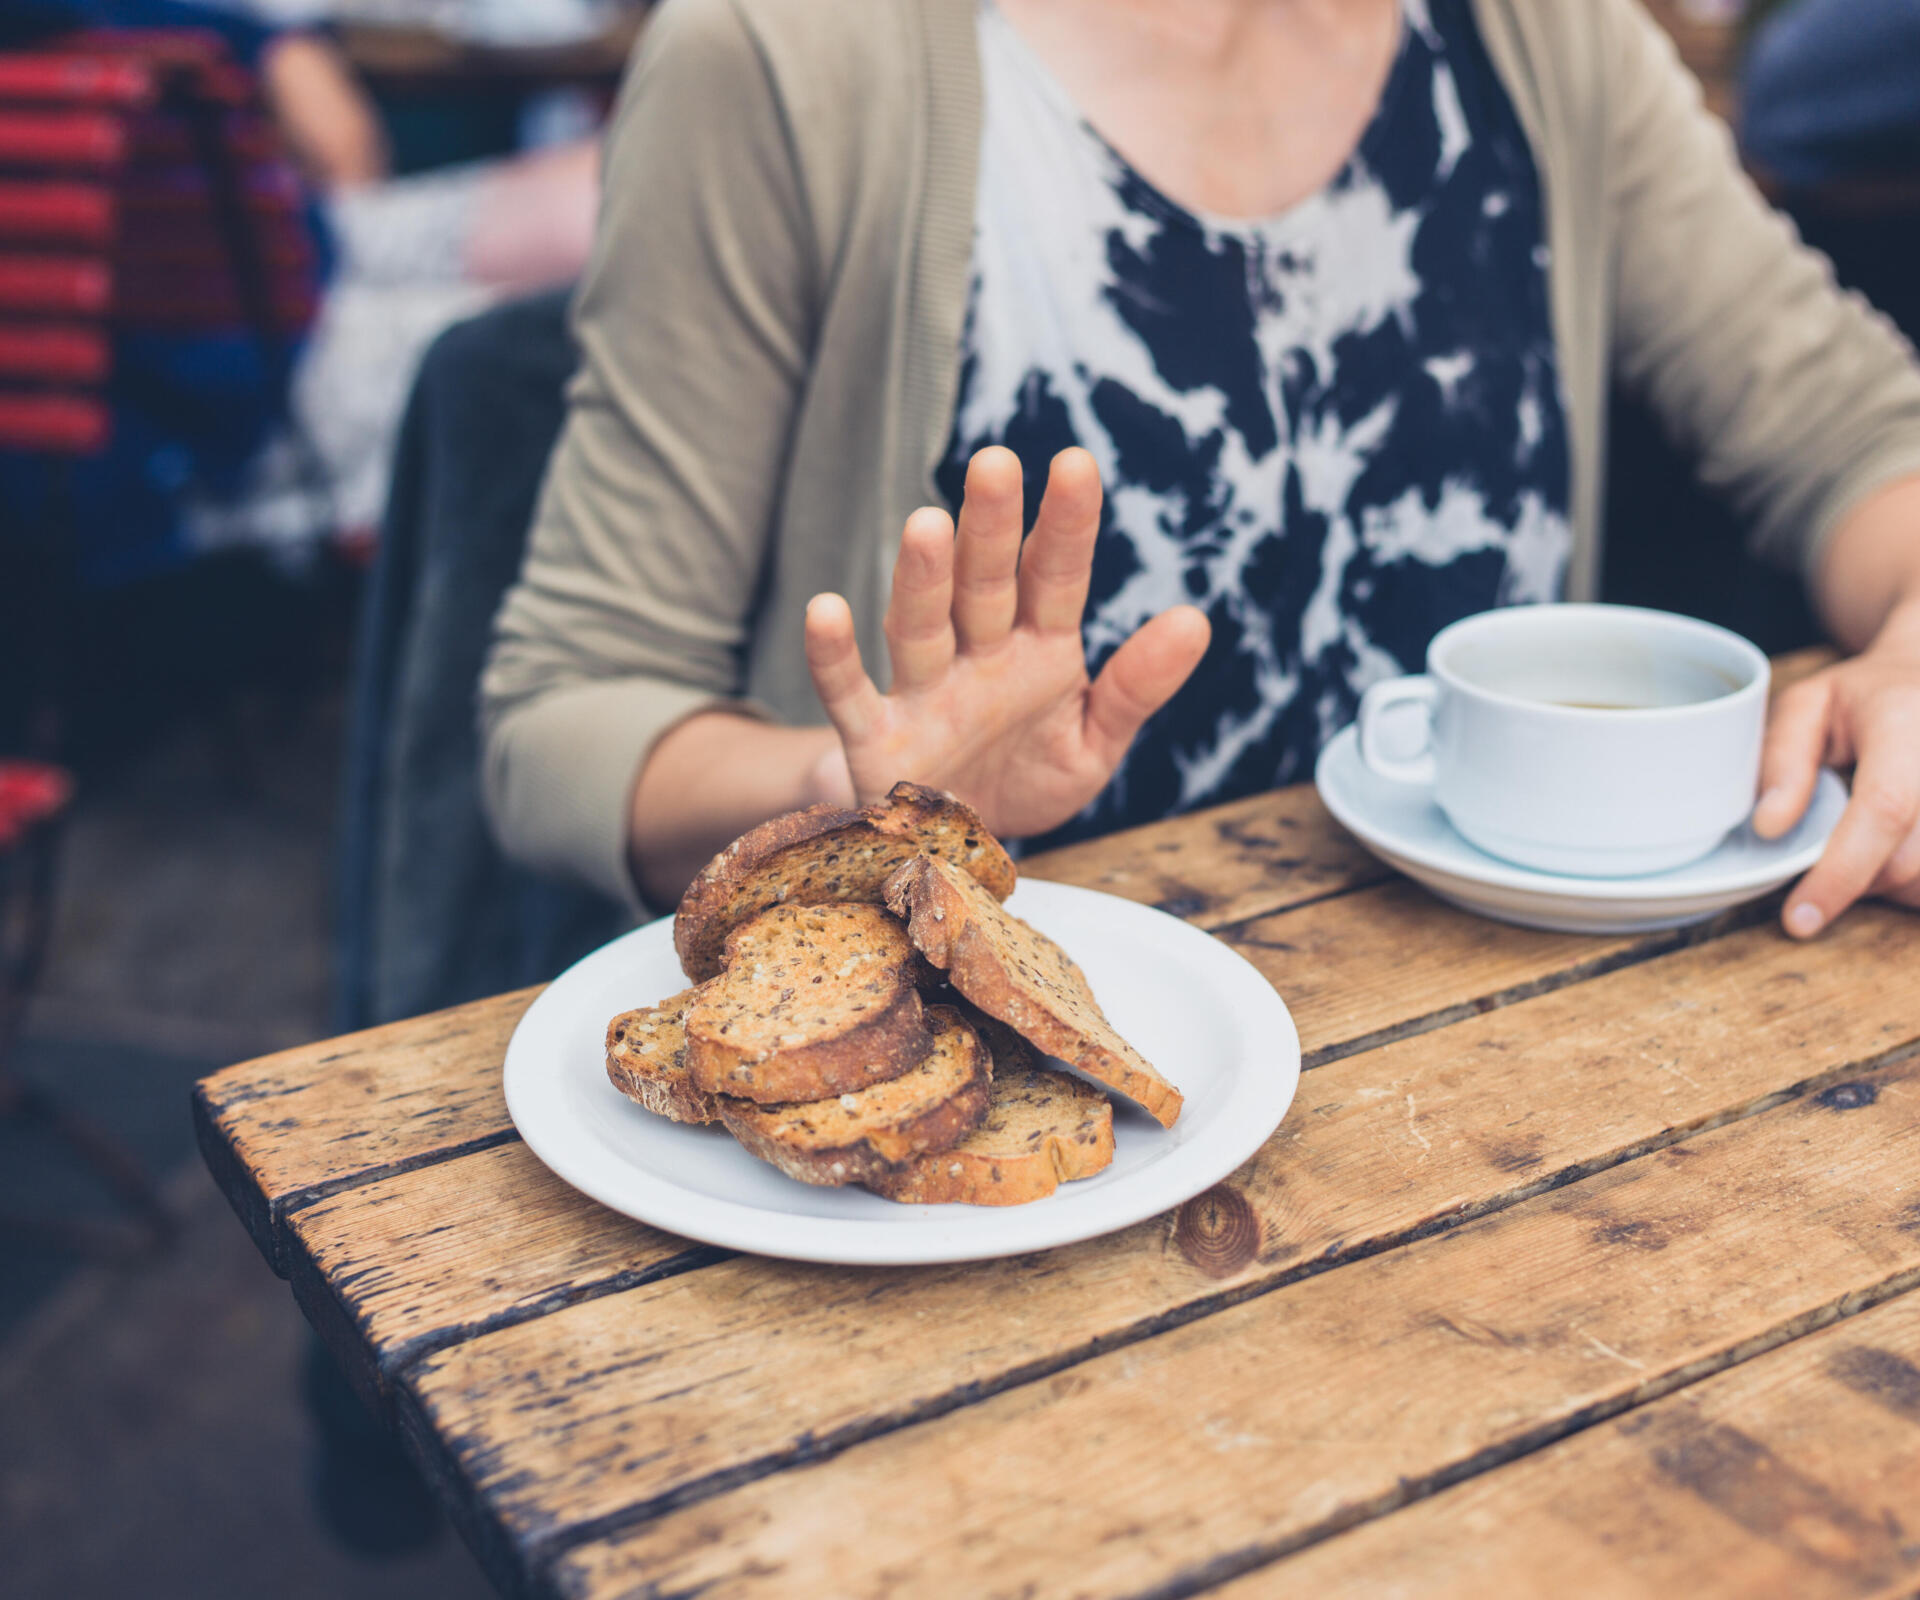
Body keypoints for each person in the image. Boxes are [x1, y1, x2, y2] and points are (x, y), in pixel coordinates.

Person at [481, 0, 1920, 940]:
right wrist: (853, 788)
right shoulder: (788, 52)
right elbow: (561, 719)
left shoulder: (1548, 36)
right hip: (995, 1115)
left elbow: (1854, 430)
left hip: (1500, 1061)